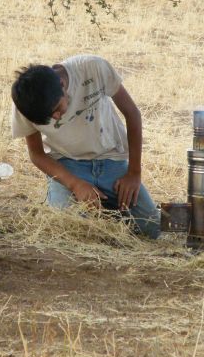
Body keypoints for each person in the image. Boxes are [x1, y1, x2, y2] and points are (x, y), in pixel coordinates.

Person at [11, 54, 161, 239]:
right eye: (49, 118)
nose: (56, 118)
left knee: (152, 229)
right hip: (67, 167)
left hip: (111, 161)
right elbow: (36, 154)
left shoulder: (92, 68)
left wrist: (134, 173)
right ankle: (95, 208)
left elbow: (132, 114)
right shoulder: (25, 103)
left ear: (62, 84)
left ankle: (105, 209)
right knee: (69, 230)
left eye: (57, 109)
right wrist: (75, 184)